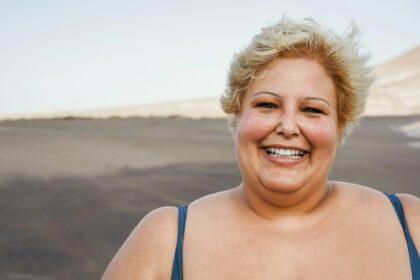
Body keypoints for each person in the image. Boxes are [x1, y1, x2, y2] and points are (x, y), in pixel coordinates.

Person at [102, 17, 419, 279]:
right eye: (267, 104)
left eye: (312, 109)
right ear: (237, 114)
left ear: (340, 125)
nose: (288, 126)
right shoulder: (166, 238)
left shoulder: (410, 222)